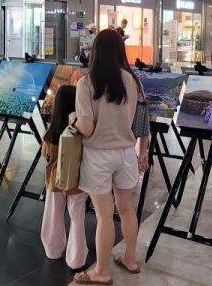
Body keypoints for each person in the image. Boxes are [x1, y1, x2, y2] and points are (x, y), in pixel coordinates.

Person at [73, 29, 149, 285]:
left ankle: (101, 271)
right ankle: (130, 259)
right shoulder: (133, 81)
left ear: (95, 51)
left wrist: (73, 119)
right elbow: (142, 121)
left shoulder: (87, 83)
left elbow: (87, 128)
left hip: (98, 156)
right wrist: (144, 149)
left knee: (105, 216)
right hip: (126, 153)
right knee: (127, 209)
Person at [41, 85, 88, 270]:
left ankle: (52, 250)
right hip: (77, 180)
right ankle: (77, 259)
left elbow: (45, 155)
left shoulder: (51, 133)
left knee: (53, 214)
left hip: (55, 180)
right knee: (77, 218)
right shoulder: (81, 131)